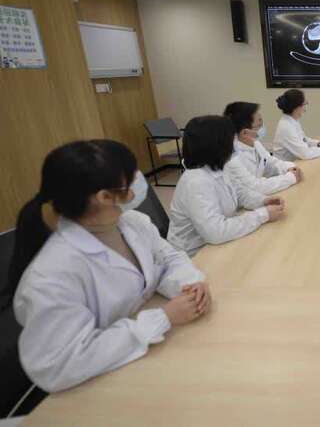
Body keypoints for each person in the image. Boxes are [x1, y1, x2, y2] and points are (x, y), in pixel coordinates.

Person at [11, 140, 210, 392]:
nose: (138, 182)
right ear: (104, 197)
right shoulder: (51, 275)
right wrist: (163, 317)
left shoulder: (131, 223)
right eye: (131, 179)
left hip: (145, 358)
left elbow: (168, 259)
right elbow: (60, 365)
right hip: (96, 384)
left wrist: (189, 284)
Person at [168, 116, 285, 256]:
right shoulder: (196, 182)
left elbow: (239, 193)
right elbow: (216, 232)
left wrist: (263, 201)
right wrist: (262, 215)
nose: (234, 144)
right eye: (230, 140)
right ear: (215, 145)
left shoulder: (218, 167)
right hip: (195, 255)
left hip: (217, 245)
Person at [223, 101, 303, 197]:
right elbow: (256, 187)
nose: (262, 126)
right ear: (244, 133)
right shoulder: (232, 157)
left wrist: (290, 167)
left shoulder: (255, 143)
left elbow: (271, 163)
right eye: (259, 124)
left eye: (261, 120)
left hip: (257, 199)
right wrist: (290, 178)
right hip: (244, 203)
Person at [273, 89, 320, 161]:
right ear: (296, 107)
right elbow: (305, 154)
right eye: (305, 104)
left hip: (295, 162)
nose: (305, 108)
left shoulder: (293, 121)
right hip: (285, 166)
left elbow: (304, 140)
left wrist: (318, 144)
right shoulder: (286, 127)